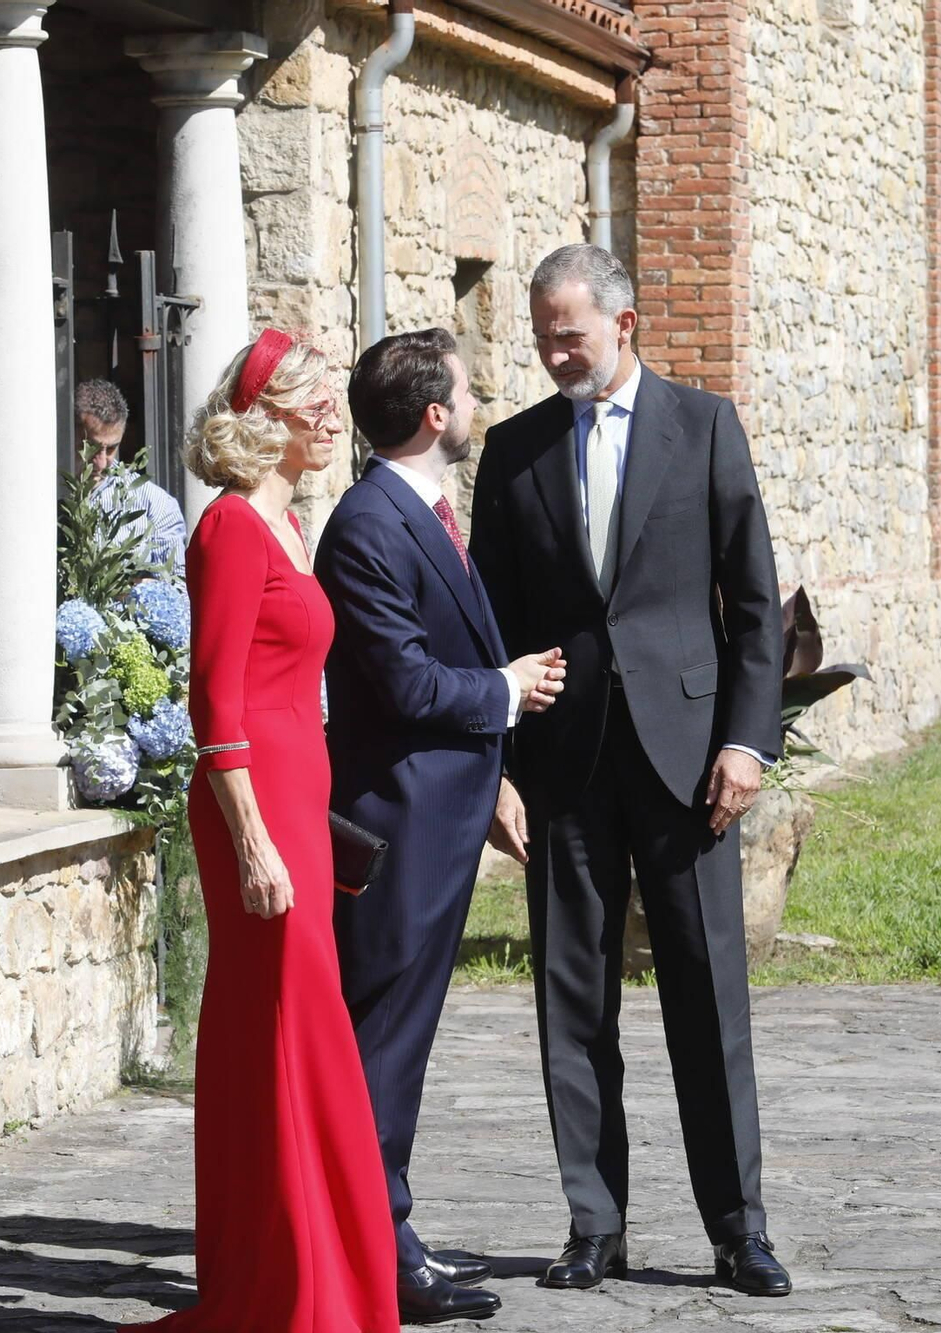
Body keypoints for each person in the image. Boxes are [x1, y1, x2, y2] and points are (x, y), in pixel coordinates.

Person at [468, 244, 793, 1297]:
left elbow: (753, 608)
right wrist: (502, 768)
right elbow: (495, 626)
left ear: (624, 323)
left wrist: (746, 742)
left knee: (706, 1001)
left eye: (570, 332)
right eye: (541, 335)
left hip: (688, 764)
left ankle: (737, 1229)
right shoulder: (514, 451)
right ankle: (591, 1222)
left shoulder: (702, 429)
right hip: (564, 764)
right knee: (571, 1001)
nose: (554, 351)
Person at [124, 329, 397, 1333]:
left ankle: (314, 1280)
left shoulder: (287, 526)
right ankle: (293, 1293)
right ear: (261, 421)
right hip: (257, 811)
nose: (333, 415)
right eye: (314, 400)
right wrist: (252, 844)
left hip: (296, 800)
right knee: (284, 1036)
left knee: (297, 1035)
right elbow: (214, 702)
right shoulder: (232, 529)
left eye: (330, 398)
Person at [316, 329, 567, 1325]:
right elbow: (405, 680)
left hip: (446, 813)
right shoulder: (368, 524)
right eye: (464, 392)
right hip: (397, 827)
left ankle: (385, 1229)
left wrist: (496, 778)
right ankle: (380, 1243)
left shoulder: (420, 510)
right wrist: (503, 692)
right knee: (382, 1037)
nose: (474, 405)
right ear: (433, 414)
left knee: (401, 1039)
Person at [78, 378, 187, 577]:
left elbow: (177, 591)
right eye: (91, 447)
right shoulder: (45, 493)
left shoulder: (155, 505)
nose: (101, 462)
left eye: (111, 449)